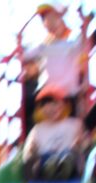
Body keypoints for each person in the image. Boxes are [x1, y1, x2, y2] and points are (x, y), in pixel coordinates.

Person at [21, 3, 87, 131]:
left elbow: (86, 42)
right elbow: (22, 56)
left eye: (53, 18)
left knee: (72, 125)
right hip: (49, 95)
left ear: (62, 18)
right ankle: (29, 137)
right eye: (46, 20)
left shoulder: (72, 45)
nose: (50, 23)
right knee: (31, 106)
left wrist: (84, 22)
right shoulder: (43, 47)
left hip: (69, 95)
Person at [23, 85, 87, 179]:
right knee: (45, 160)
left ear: (65, 105)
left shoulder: (75, 124)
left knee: (69, 156)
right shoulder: (37, 129)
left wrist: (80, 146)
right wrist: (30, 153)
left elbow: (84, 144)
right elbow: (29, 149)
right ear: (39, 109)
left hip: (68, 157)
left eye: (55, 103)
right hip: (46, 158)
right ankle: (50, 168)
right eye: (45, 105)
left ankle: (65, 167)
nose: (51, 108)